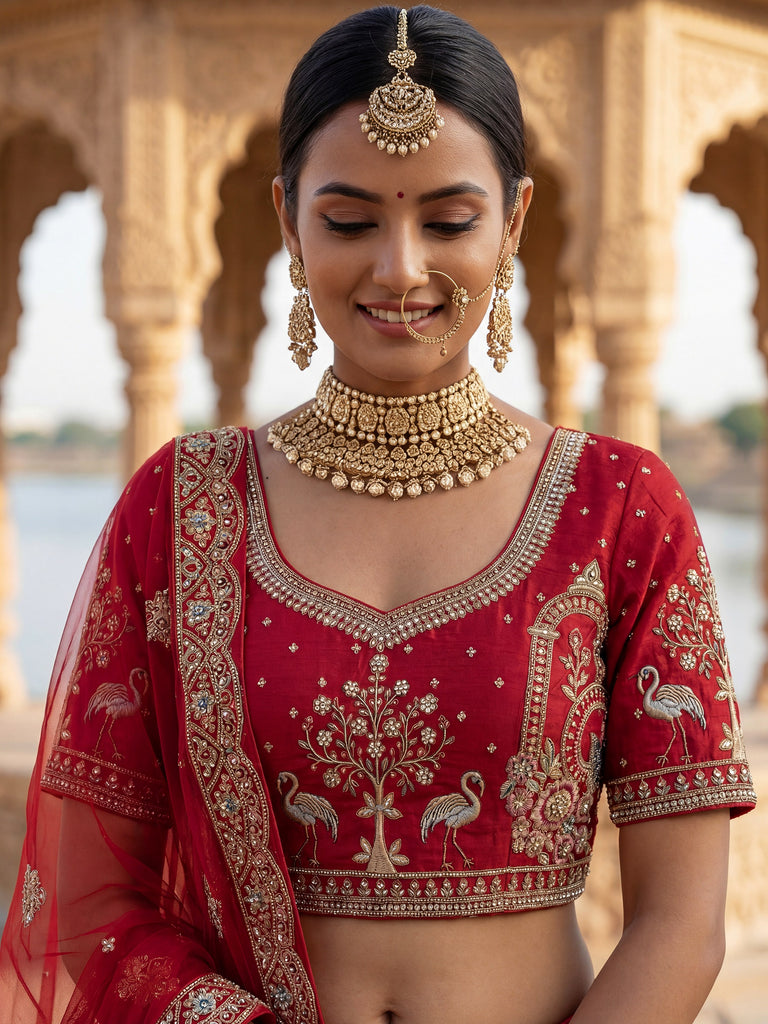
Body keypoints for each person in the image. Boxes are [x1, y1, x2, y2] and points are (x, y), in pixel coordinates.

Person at [0, 6, 757, 1024]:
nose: (400, 268)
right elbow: (89, 904)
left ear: (516, 220)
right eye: (350, 221)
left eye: (449, 221)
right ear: (287, 219)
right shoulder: (181, 509)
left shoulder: (621, 507)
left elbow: (683, 921)